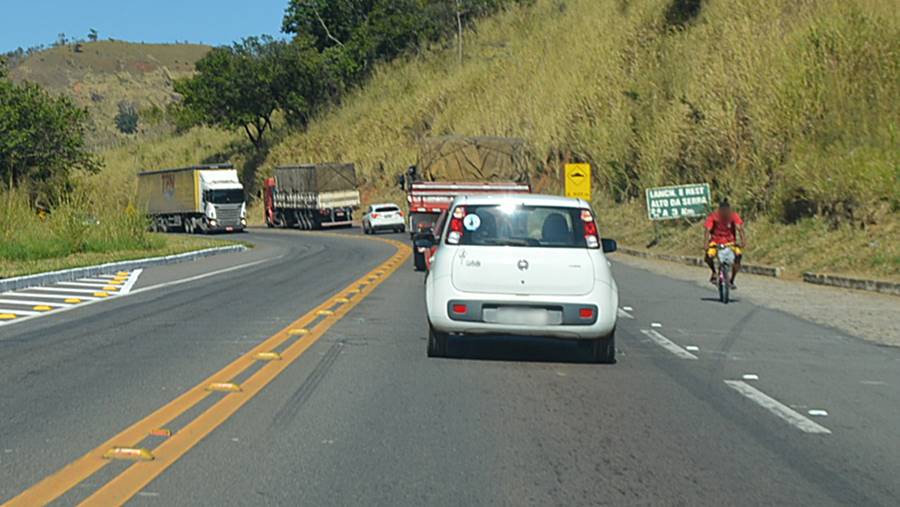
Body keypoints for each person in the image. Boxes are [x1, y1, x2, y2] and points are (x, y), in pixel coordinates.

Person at [704, 200, 746, 288]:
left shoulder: (733, 216)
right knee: (708, 256)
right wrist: (706, 244)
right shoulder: (713, 216)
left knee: (738, 256)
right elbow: (707, 229)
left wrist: (743, 242)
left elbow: (740, 228)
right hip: (715, 241)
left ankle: (732, 279)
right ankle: (714, 272)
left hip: (730, 242)